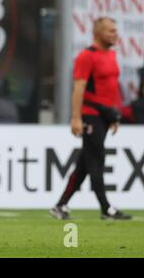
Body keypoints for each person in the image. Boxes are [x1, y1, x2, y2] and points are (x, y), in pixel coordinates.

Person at [50, 17, 131, 220]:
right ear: (98, 33)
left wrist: (113, 115)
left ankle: (60, 205)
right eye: (111, 31)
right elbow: (79, 88)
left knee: (85, 164)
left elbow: (109, 88)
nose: (115, 34)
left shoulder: (111, 55)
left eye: (115, 30)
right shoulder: (86, 56)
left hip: (104, 116)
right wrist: (76, 117)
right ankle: (106, 208)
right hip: (90, 115)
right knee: (96, 159)